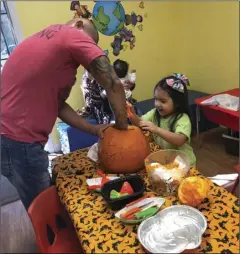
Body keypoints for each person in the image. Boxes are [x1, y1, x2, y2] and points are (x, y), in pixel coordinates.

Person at [1, 18, 128, 210]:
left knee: (43, 200)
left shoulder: (50, 42)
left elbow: (58, 105)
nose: (90, 47)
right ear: (78, 24)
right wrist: (122, 126)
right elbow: (114, 84)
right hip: (17, 141)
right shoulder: (72, 34)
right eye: (91, 42)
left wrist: (93, 129)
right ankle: (57, 239)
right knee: (47, 210)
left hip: (9, 138)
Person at [127, 73, 196, 167]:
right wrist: (131, 113)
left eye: (163, 101)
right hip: (167, 161)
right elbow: (140, 123)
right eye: (156, 99)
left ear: (177, 103)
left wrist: (157, 129)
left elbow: (180, 140)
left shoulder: (182, 118)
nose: (157, 104)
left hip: (183, 164)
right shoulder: (155, 113)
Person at [80, 59, 137, 124]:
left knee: (132, 115)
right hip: (108, 110)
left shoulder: (111, 74)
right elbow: (94, 101)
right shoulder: (88, 83)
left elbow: (130, 84)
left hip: (123, 103)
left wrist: (130, 85)